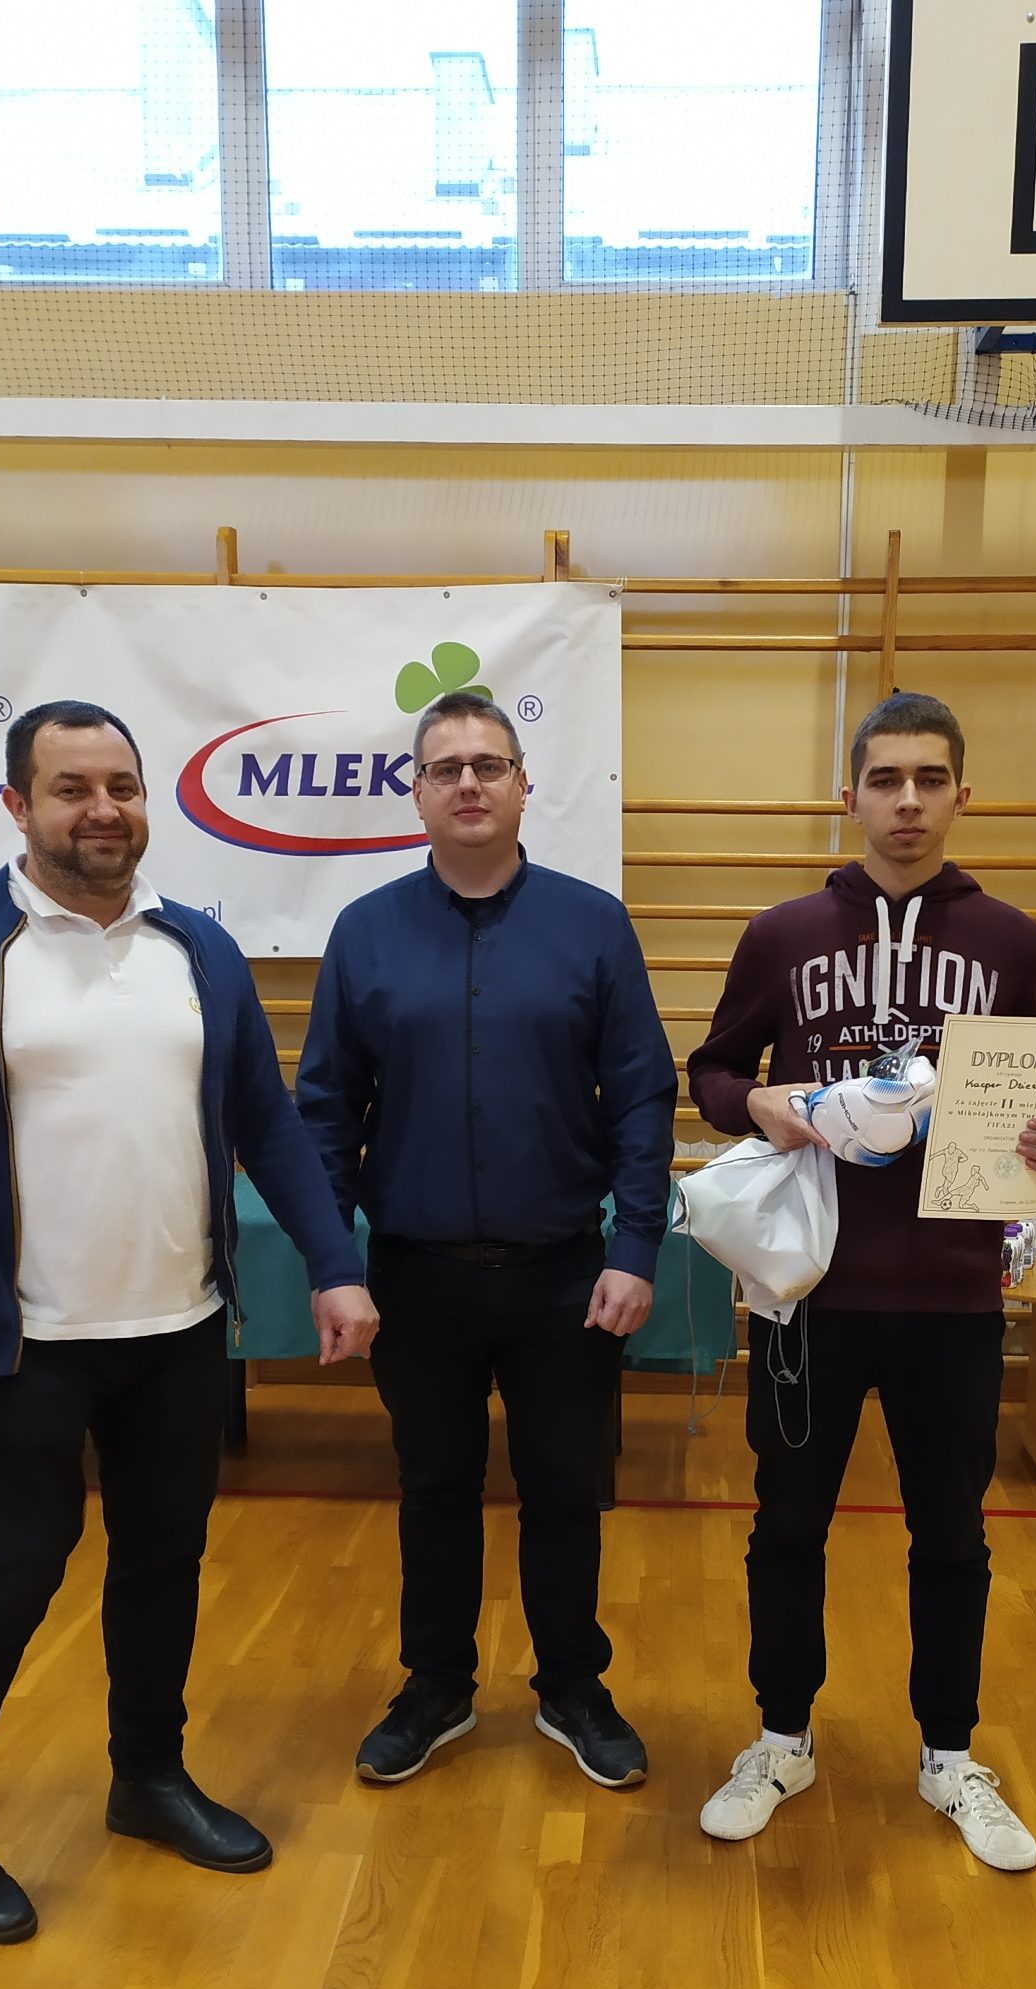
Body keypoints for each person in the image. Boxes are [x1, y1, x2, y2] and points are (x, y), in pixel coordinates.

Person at [0, 700, 378, 1944]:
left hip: (180, 1329)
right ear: (17, 806)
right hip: (29, 1340)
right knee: (10, 1578)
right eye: (72, 788)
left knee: (161, 1563)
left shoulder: (199, 949)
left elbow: (267, 1125)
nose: (104, 811)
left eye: (122, 787)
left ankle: (147, 1777)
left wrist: (335, 1265)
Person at [687, 691, 1036, 1865]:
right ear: (849, 794)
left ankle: (950, 1755)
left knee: (953, 1535)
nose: (907, 801)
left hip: (953, 1295)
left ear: (963, 794)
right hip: (808, 1291)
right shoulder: (782, 935)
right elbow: (710, 1073)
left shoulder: (1013, 943)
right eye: (885, 779)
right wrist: (760, 1101)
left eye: (929, 779)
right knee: (786, 1527)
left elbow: (1026, 1109)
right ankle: (782, 1738)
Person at [295, 690, 676, 1790]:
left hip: (566, 1278)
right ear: (415, 792)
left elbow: (643, 1096)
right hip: (415, 1279)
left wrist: (635, 1247)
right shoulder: (365, 932)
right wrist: (333, 1263)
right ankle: (436, 1687)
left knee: (564, 1490)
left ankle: (572, 1686)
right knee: (434, 1489)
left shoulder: (592, 925)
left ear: (522, 786)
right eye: (445, 767)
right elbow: (325, 1109)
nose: (468, 782)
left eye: (489, 764)